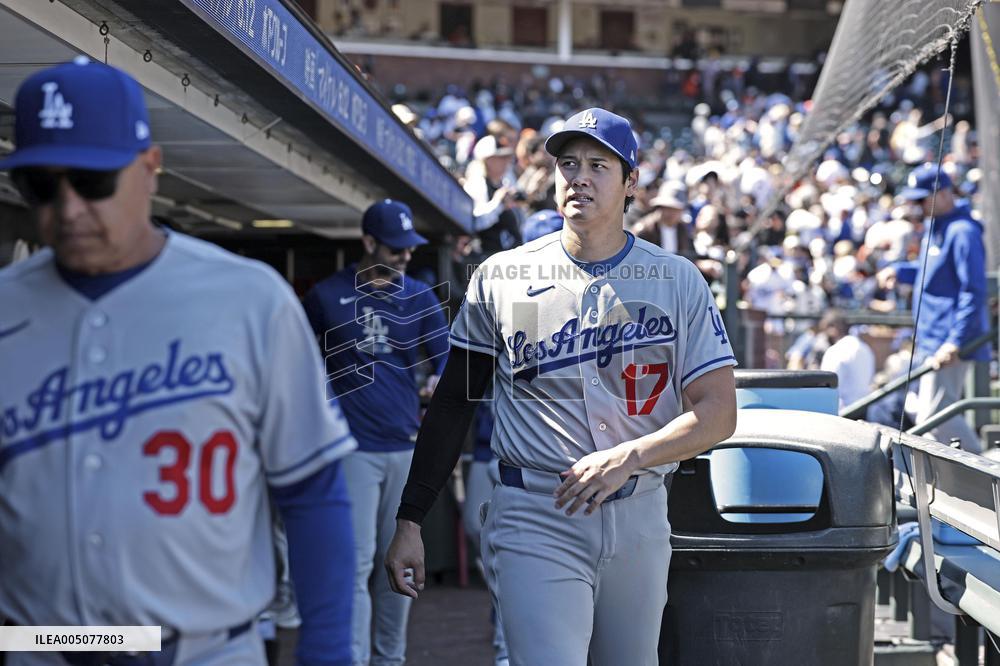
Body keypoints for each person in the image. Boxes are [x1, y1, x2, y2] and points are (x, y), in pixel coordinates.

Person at [0, 58, 356, 665]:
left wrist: (326, 649)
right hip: (42, 649)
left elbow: (312, 490)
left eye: (91, 181)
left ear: (150, 169)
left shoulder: (249, 297)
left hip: (206, 650)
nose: (69, 209)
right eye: (42, 186)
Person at [384, 107, 738, 665]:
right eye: (568, 163)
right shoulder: (502, 276)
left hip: (640, 509)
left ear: (631, 183)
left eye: (599, 165)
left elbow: (718, 413)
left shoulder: (677, 279)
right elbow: (454, 402)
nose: (580, 177)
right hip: (537, 508)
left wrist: (631, 455)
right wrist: (411, 519)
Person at [302, 199, 449, 666]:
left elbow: (448, 366)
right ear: (368, 243)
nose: (407, 256)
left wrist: (434, 385)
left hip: (404, 448)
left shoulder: (421, 295)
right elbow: (296, 366)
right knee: (355, 567)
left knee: (400, 563)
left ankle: (390, 660)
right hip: (351, 450)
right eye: (396, 248)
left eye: (410, 248)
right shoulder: (327, 294)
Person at [883, 163, 989, 453]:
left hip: (949, 341)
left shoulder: (963, 230)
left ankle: (988, 473)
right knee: (930, 424)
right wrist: (902, 272)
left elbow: (973, 289)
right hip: (932, 339)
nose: (918, 206)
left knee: (935, 417)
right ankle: (947, 489)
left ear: (943, 193)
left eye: (922, 198)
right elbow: (932, 270)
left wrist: (955, 341)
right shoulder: (938, 227)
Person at [817, 311, 876, 413]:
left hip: (842, 416)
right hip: (865, 412)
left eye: (824, 331)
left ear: (833, 329)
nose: (823, 337)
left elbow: (826, 390)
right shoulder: (865, 348)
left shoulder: (835, 351)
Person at [630, 180, 692, 256]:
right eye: (667, 208)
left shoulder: (682, 230)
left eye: (675, 209)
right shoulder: (645, 230)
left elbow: (689, 257)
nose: (671, 213)